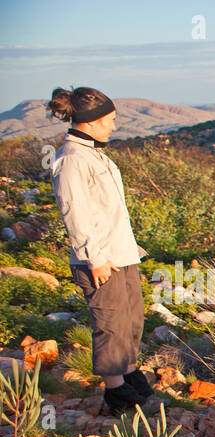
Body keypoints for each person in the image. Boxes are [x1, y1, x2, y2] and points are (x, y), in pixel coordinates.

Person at [46, 86, 153, 416]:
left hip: (121, 253)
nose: (114, 125)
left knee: (131, 319)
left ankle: (128, 372)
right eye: (110, 120)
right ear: (90, 123)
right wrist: (94, 258)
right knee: (110, 323)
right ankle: (115, 393)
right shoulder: (71, 160)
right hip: (100, 259)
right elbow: (74, 212)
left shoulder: (93, 154)